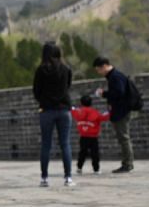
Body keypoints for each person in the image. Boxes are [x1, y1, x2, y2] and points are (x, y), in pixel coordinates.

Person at [32, 43, 74, 187]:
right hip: (64, 110)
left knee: (46, 145)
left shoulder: (41, 70)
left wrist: (44, 100)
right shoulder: (66, 69)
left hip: (46, 110)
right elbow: (68, 86)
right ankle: (68, 177)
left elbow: (36, 91)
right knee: (65, 144)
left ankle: (44, 178)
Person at [93, 56, 134, 173]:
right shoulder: (114, 76)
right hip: (119, 110)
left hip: (121, 111)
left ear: (104, 66)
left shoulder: (115, 76)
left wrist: (103, 94)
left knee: (124, 137)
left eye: (98, 70)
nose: (99, 72)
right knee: (123, 137)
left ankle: (127, 164)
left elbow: (118, 93)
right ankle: (127, 163)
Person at [71, 95, 110, 175]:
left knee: (82, 153)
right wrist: (110, 111)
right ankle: (96, 169)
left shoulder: (79, 112)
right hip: (93, 137)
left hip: (83, 136)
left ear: (81, 103)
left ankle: (79, 167)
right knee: (95, 154)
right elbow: (103, 117)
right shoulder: (95, 112)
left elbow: (72, 110)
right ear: (91, 103)